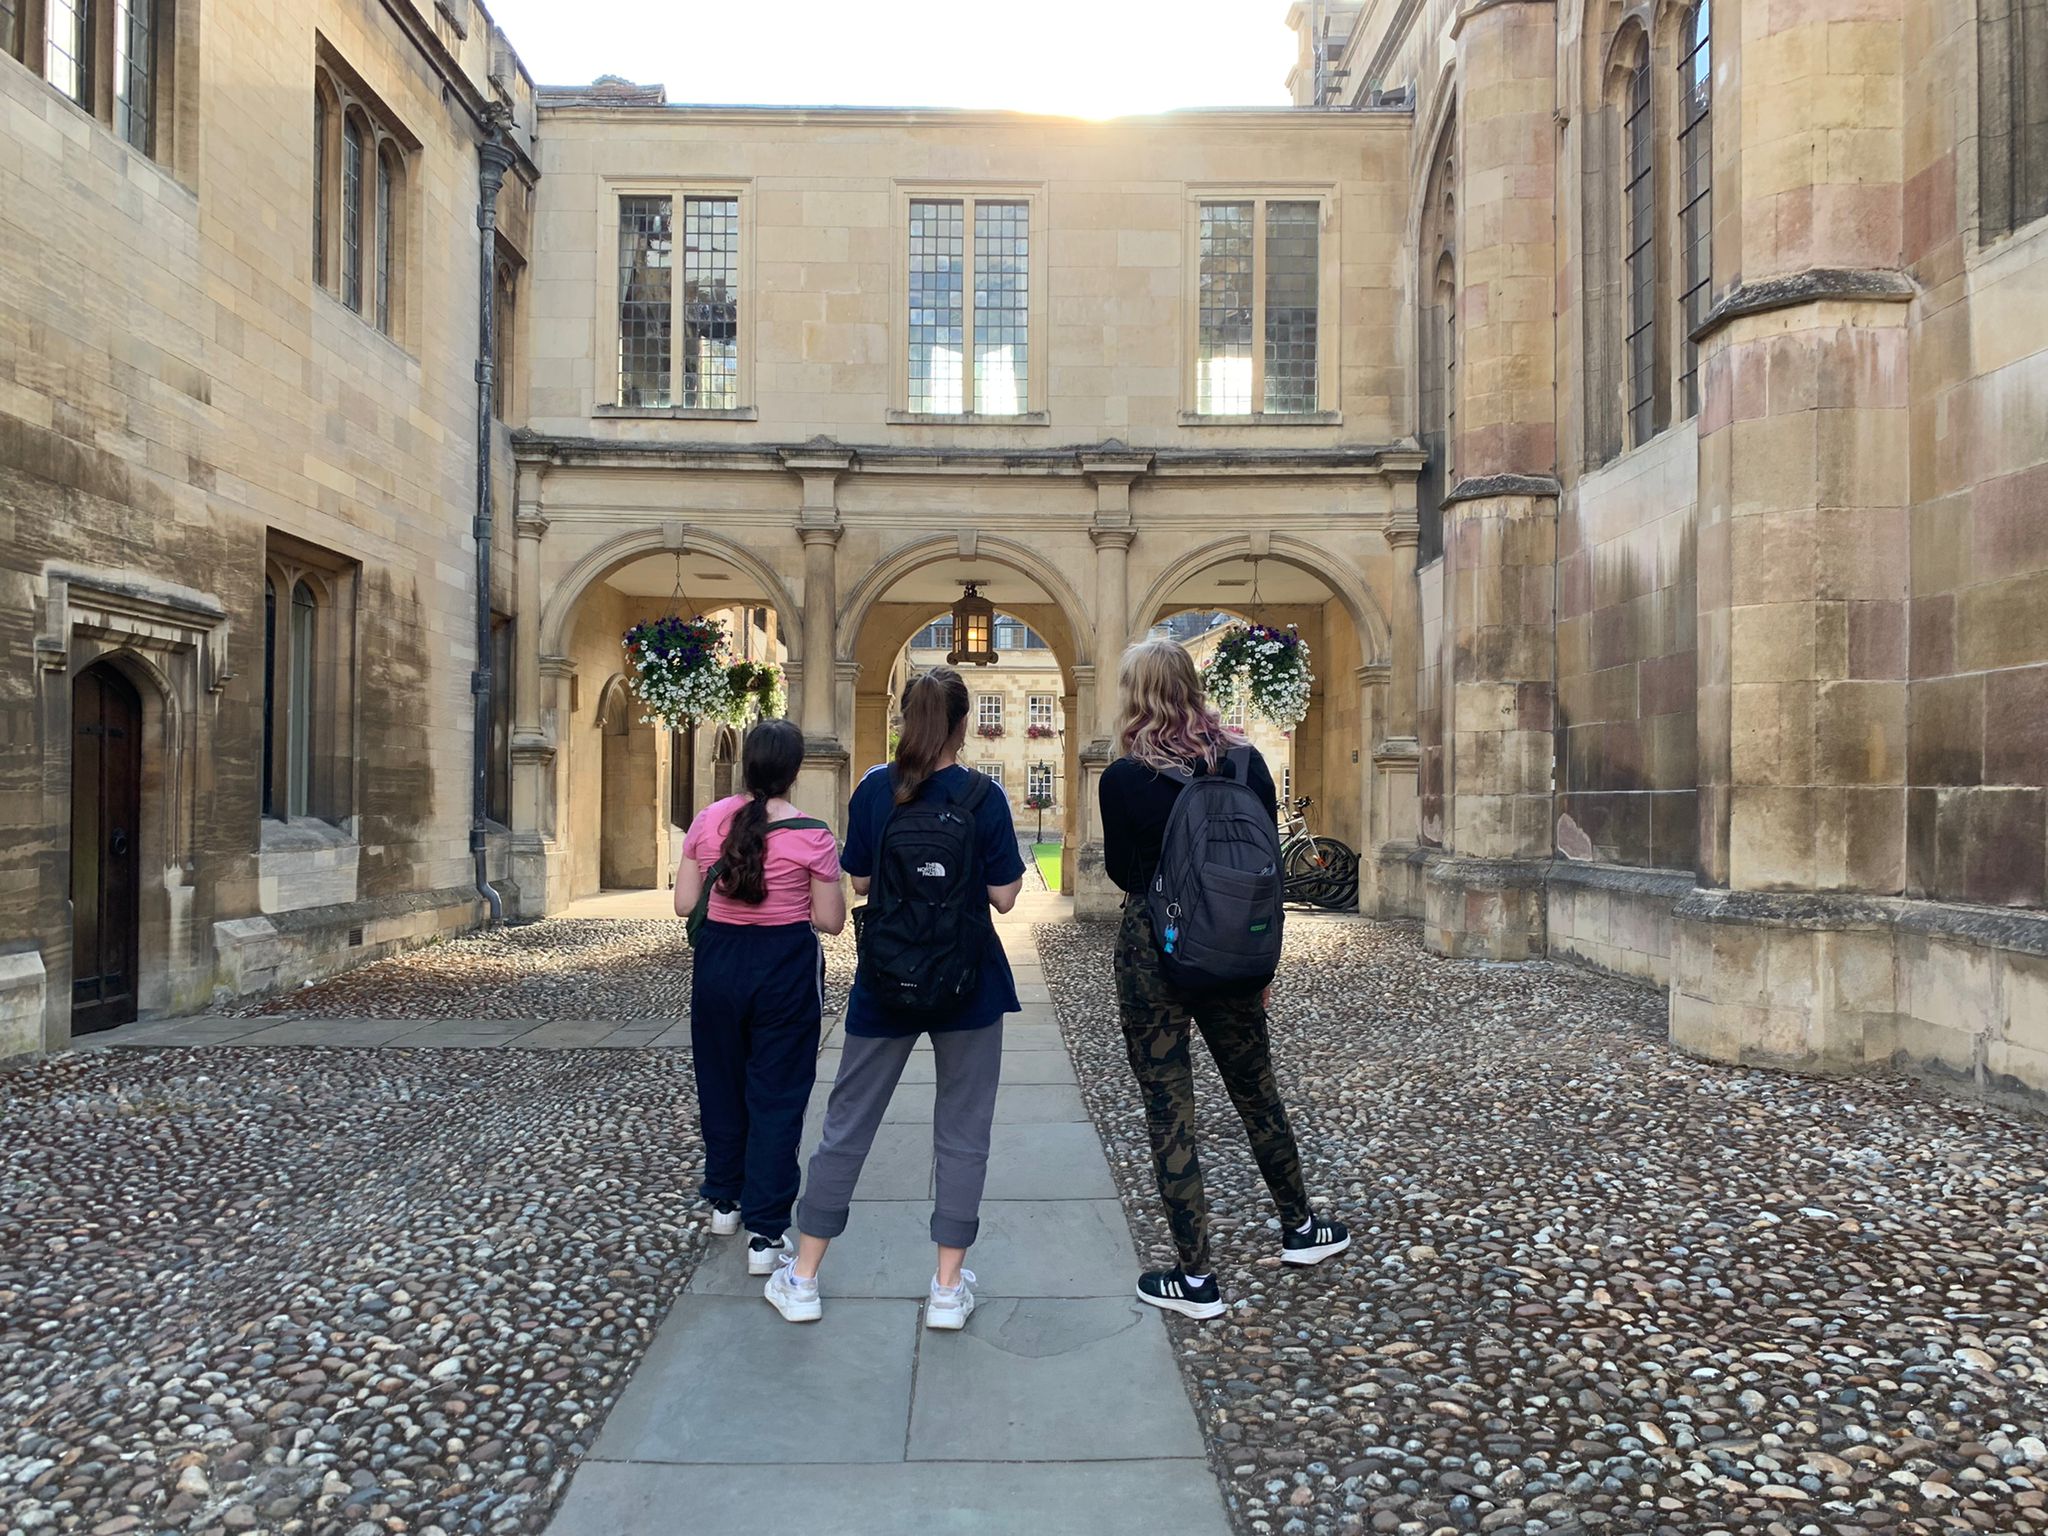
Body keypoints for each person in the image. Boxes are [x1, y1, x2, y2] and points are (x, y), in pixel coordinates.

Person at [764, 665, 1025, 1329]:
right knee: (963, 1135)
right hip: (969, 981)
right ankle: (944, 1289)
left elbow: (857, 883)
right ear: (964, 726)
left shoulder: (877, 789)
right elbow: (1004, 895)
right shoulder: (982, 796)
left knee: (847, 1124)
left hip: (887, 978)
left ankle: (804, 1277)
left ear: (904, 718)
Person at [1100, 638, 1349, 1320]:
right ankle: (1299, 1229)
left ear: (1135, 693)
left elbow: (1125, 874)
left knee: (1168, 1109)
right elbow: (1265, 867)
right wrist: (1261, 958)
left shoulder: (1123, 778)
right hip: (1235, 948)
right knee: (1255, 1089)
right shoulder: (1245, 763)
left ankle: (1197, 1277)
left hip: (1153, 951)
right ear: (1192, 686)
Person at [675, 718, 846, 1279]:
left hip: (720, 963)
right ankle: (765, 1234)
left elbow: (684, 903)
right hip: (783, 966)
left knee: (721, 1080)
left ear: (747, 764)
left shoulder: (707, 820)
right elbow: (829, 920)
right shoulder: (812, 834)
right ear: (795, 771)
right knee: (777, 1095)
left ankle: (725, 1201)